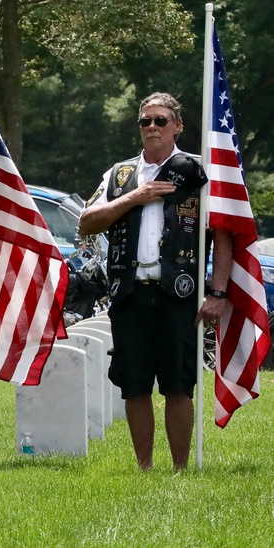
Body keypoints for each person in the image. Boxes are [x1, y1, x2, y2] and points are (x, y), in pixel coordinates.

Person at [78, 92, 230, 471]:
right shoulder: (121, 175)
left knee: (179, 384)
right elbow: (87, 222)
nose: (151, 128)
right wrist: (136, 197)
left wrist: (218, 293)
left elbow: (225, 236)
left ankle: (180, 469)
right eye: (145, 121)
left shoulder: (199, 172)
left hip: (179, 293)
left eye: (160, 120)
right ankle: (144, 467)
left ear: (177, 125)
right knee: (135, 384)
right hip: (130, 291)